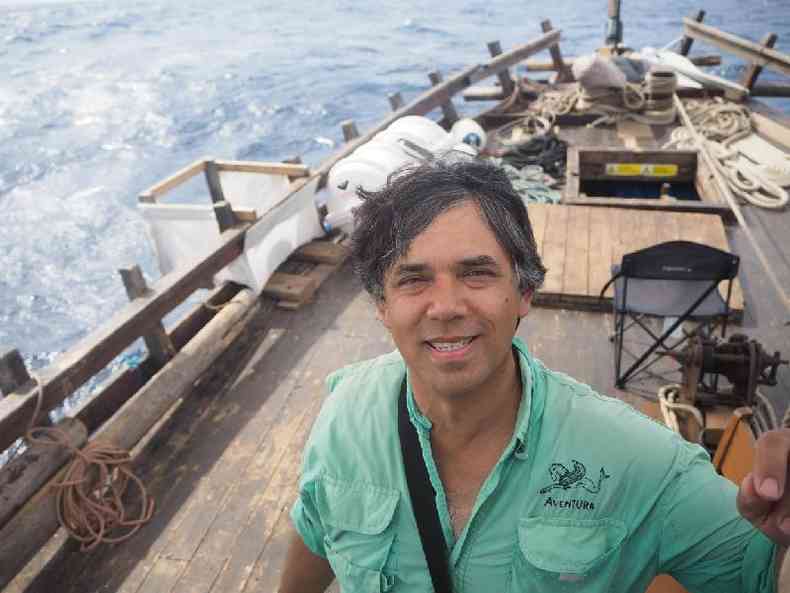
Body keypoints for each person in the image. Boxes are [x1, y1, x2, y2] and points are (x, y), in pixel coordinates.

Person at [278, 158, 788, 593]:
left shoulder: (638, 461)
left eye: (476, 273)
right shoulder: (345, 412)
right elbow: (317, 529)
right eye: (413, 280)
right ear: (382, 307)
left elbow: (760, 572)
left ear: (525, 292)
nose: (447, 307)